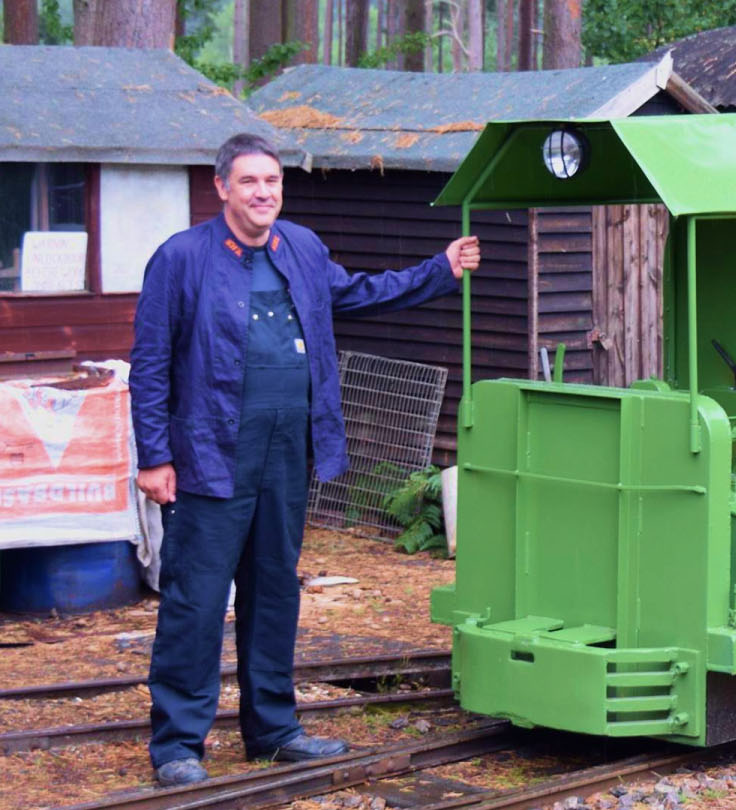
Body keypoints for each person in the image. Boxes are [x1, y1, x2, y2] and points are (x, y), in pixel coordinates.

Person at [130, 133, 480, 787]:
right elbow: (149, 366)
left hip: (287, 452)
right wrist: (155, 457)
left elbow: (356, 295)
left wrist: (441, 270)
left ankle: (273, 730)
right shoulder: (181, 259)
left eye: (273, 181)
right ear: (222, 188)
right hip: (209, 453)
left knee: (273, 594)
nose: (264, 193)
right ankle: (178, 745)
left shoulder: (302, 248)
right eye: (250, 182)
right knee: (196, 601)